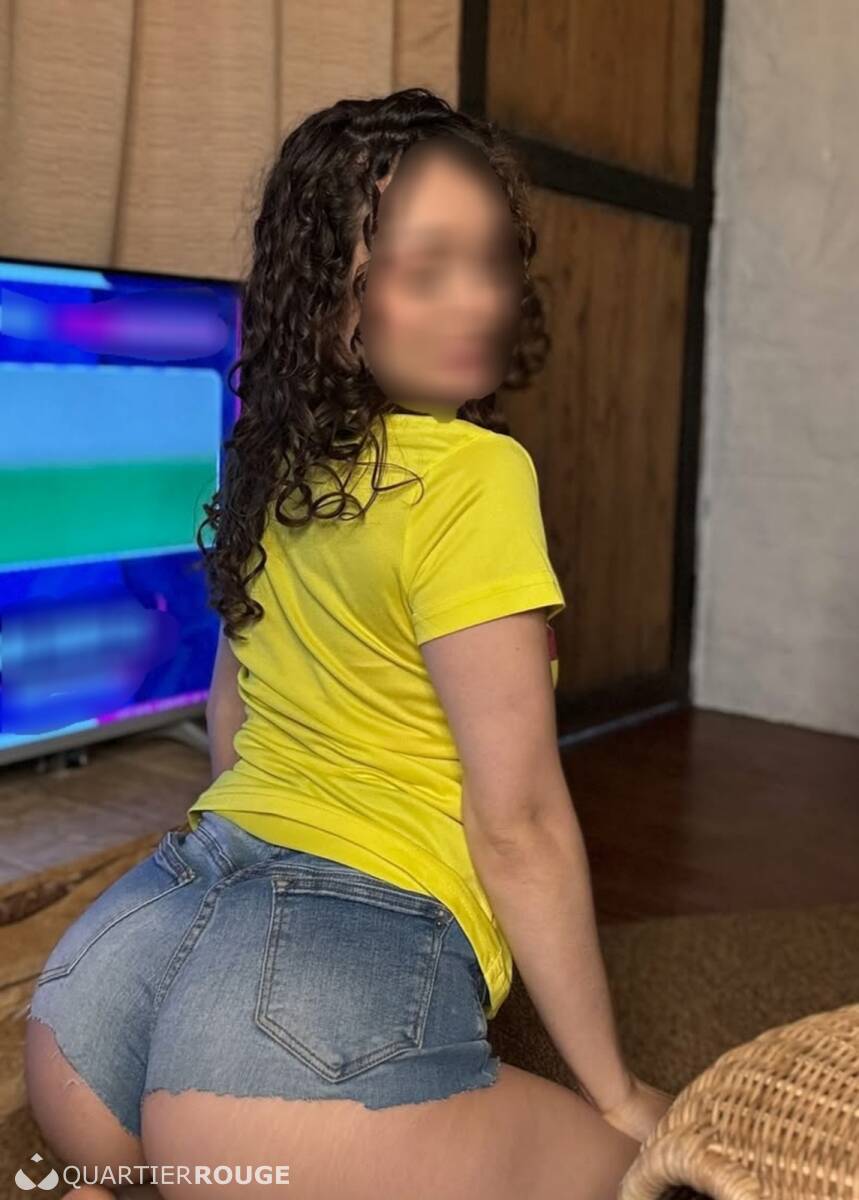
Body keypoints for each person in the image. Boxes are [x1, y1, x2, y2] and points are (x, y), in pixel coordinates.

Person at [24, 87, 673, 1200]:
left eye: (490, 260)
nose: (478, 300)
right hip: (279, 1067)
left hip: (98, 1005)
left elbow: (231, 719)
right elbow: (516, 820)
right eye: (426, 272)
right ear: (336, 303)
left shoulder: (268, 462)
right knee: (643, 1174)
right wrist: (615, 1093)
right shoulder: (477, 476)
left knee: (197, 1154)